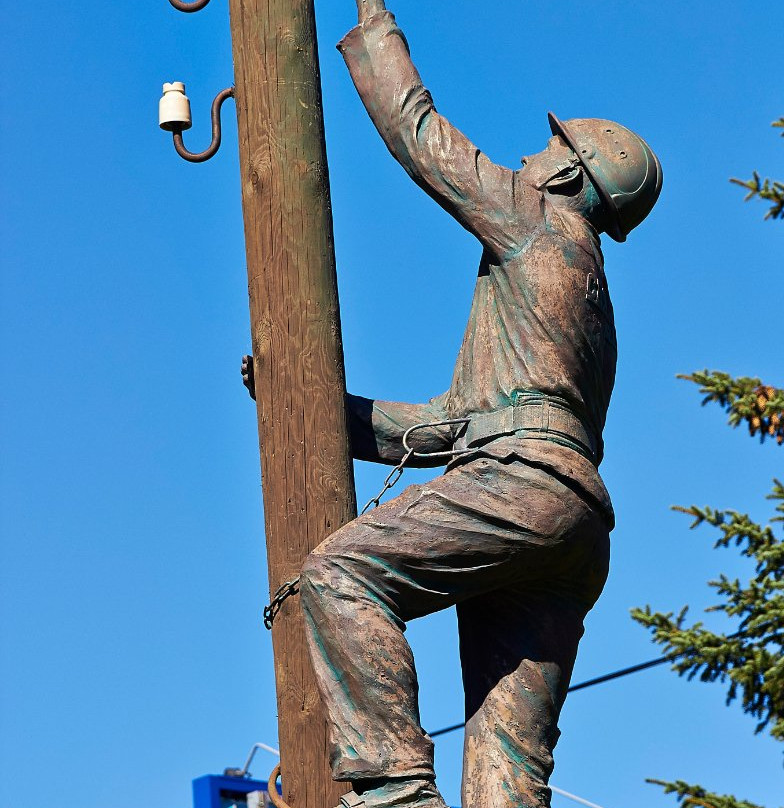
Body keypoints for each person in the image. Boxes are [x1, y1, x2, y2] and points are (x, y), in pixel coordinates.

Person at [247, 1, 662, 805]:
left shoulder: (536, 221)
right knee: (509, 760)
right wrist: (314, 408)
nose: (530, 156)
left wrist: (376, 24)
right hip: (574, 527)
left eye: (549, 149)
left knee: (340, 572)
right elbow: (466, 427)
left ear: (573, 175)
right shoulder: (594, 306)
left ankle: (397, 793)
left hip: (521, 493)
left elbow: (420, 134)